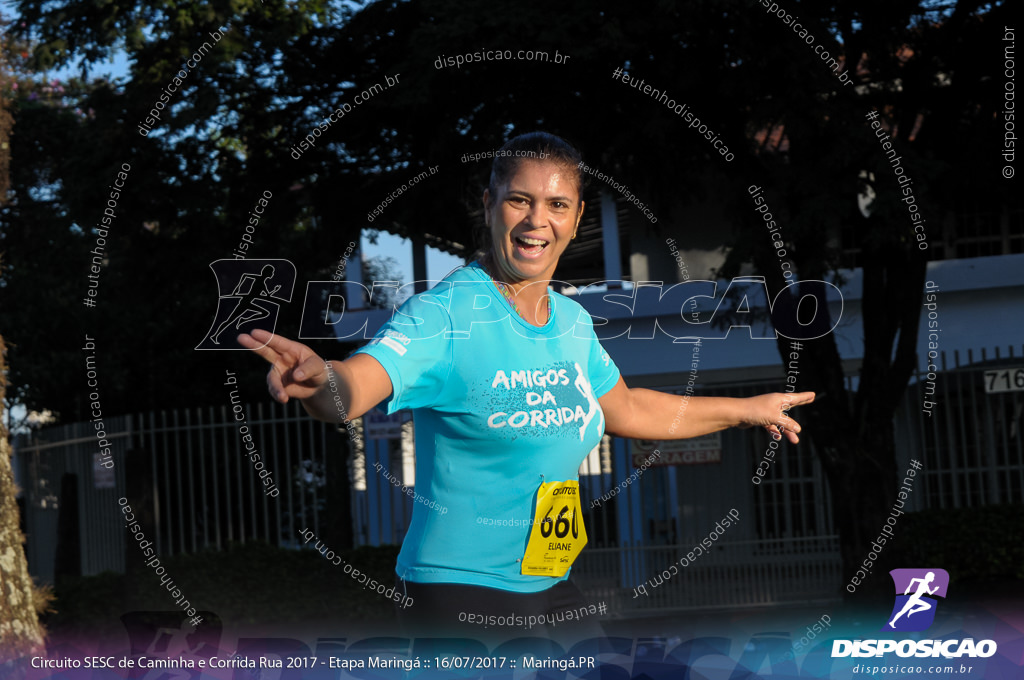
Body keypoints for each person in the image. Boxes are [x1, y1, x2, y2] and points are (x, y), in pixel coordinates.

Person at [239, 131, 814, 637]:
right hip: (459, 591)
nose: (538, 219)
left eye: (557, 204)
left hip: (548, 582)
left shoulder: (571, 322)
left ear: (576, 215)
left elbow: (631, 408)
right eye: (520, 199)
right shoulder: (444, 315)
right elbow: (355, 388)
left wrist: (746, 408)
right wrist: (319, 382)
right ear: (490, 204)